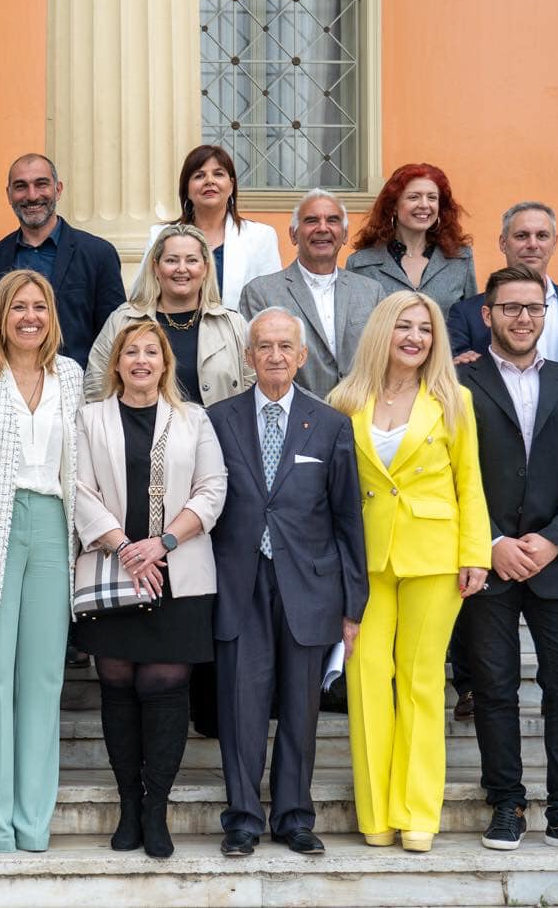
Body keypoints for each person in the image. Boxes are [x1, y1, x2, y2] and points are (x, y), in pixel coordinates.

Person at [454, 268, 558, 859]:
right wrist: (491, 541)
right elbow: (449, 472)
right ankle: (506, 802)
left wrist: (553, 540)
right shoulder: (458, 383)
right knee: (493, 687)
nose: (523, 318)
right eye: (510, 308)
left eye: (533, 308)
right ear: (487, 315)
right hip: (487, 560)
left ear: (545, 315)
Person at [327, 290, 491, 852]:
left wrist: (475, 553)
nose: (415, 337)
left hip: (435, 555)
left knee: (421, 682)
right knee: (366, 679)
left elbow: (470, 480)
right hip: (365, 558)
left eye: (425, 328)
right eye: (404, 326)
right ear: (382, 331)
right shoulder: (345, 399)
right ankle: (376, 814)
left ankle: (418, 813)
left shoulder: (453, 399)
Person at [208, 308, 366, 857]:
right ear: (248, 356)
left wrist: (353, 605)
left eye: (284, 347)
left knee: (301, 707)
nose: (274, 356)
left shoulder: (330, 424)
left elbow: (348, 518)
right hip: (239, 581)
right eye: (264, 346)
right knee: (241, 705)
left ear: (301, 356)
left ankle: (294, 817)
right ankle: (242, 820)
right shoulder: (217, 419)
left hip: (309, 586)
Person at [73, 320, 228, 858]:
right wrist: (126, 548)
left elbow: (213, 488)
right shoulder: (90, 418)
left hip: (177, 574)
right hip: (113, 568)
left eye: (151, 352)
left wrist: (162, 543)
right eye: (131, 352)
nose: (141, 360)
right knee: (117, 687)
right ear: (116, 363)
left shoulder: (194, 419)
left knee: (165, 688)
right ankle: (128, 807)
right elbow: (80, 489)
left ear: (166, 364)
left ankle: (156, 810)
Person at [0, 269, 83, 852]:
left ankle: (33, 822)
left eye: (40, 307)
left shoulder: (70, 376)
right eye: (18, 307)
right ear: (0, 314)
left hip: (52, 525)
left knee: (44, 678)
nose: (30, 317)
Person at [0, 153, 125, 368]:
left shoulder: (98, 254)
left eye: (41, 184)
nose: (32, 195)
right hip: (9, 382)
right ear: (9, 194)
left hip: (79, 383)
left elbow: (115, 334)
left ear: (58, 189)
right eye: (21, 186)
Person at [447, 201, 558, 387]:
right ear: (503, 243)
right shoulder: (466, 313)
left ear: (554, 243)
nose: (532, 244)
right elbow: (455, 378)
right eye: (522, 236)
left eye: (542, 236)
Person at [86, 224, 251, 407]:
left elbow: (253, 392)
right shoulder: (123, 321)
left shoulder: (233, 324)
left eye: (191, 260)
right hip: (139, 426)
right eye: (171, 260)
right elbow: (96, 389)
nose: (181, 268)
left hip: (217, 426)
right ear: (156, 267)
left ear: (205, 268)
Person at [238, 189, 382, 399]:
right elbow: (257, 368)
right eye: (311, 220)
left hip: (362, 412)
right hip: (295, 414)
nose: (322, 228)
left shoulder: (371, 291)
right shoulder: (260, 293)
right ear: (293, 234)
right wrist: (319, 412)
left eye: (332, 220)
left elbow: (381, 362)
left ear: (344, 234)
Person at [131, 144, 280, 309]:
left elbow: (272, 303)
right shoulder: (160, 234)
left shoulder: (261, 236)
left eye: (218, 174)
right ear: (187, 189)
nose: (209, 181)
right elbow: (142, 294)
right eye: (199, 176)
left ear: (231, 186)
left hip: (240, 326)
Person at [345, 163, 476, 309]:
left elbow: (471, 318)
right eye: (414, 197)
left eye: (432, 198)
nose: (424, 205)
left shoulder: (460, 258)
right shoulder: (362, 264)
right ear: (393, 206)